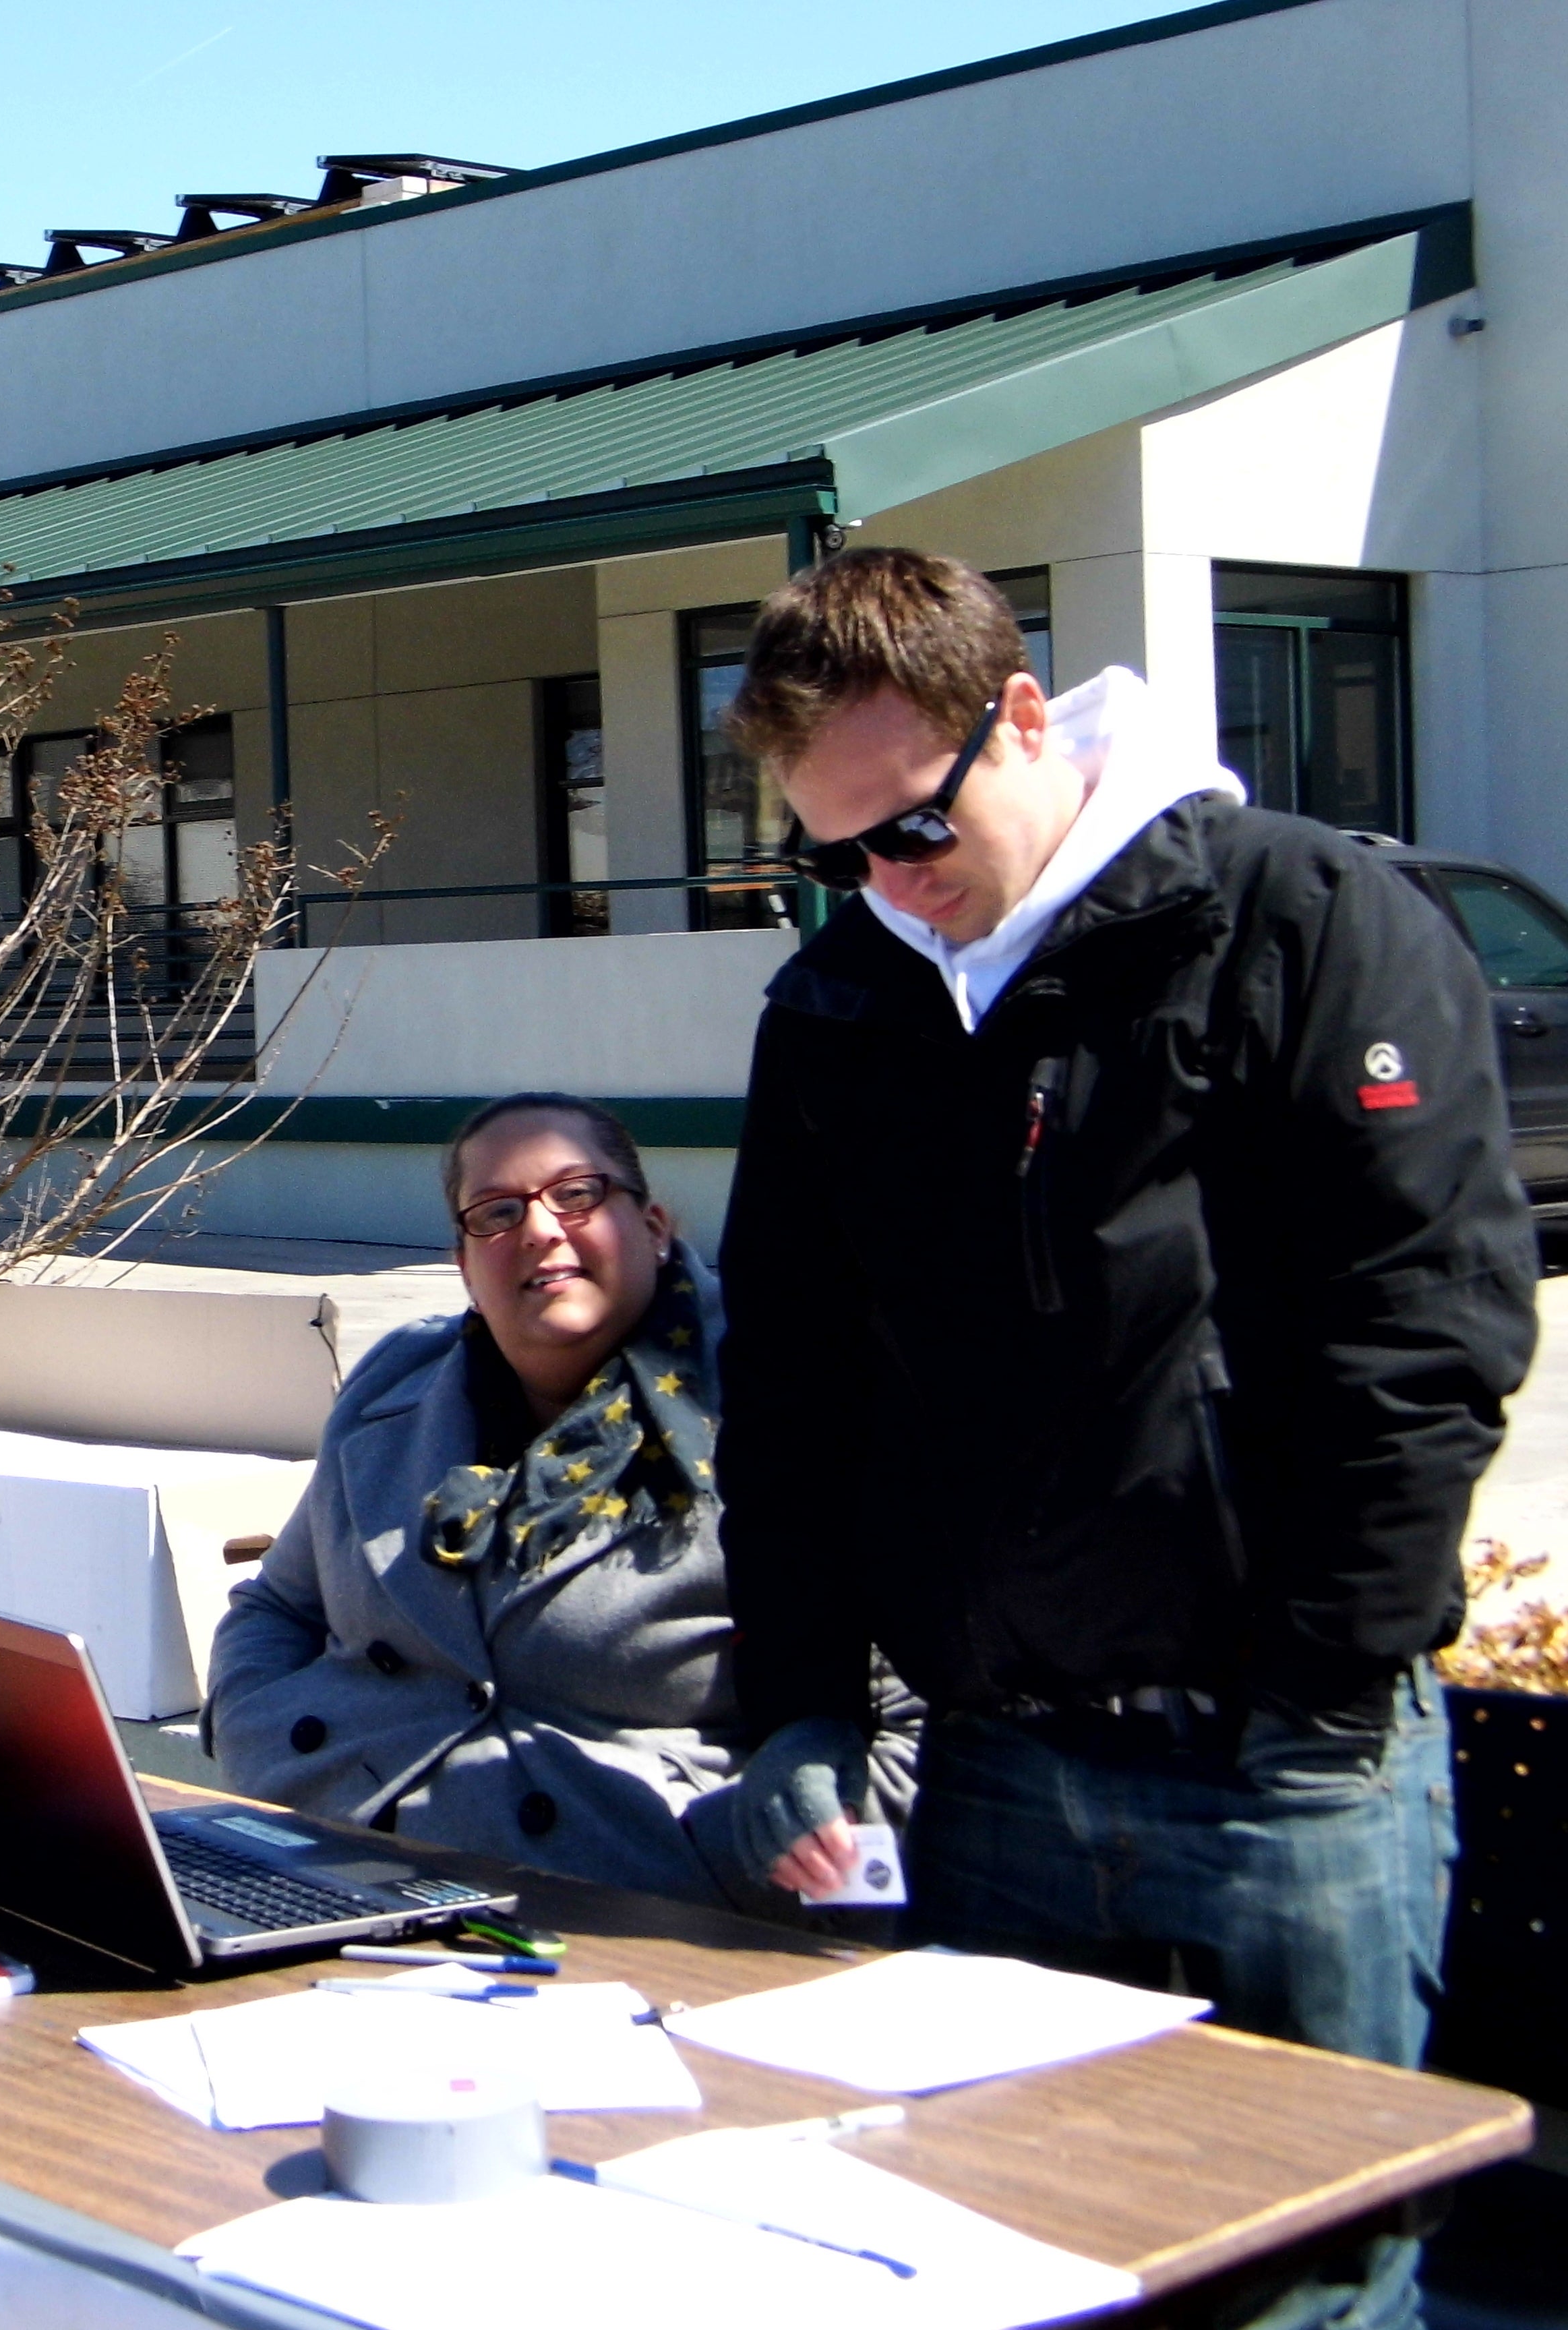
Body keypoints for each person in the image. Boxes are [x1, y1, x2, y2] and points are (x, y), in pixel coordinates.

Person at [715, 547, 1536, 2329]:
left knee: (1312, 2286)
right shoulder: (846, 1004)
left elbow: (1424, 1327)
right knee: (1025, 2260)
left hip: (1281, 1771)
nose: (884, 889)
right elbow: (791, 1385)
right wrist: (798, 1694)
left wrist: (1321, 1682)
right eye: (832, 857)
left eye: (909, 836)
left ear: (1017, 717)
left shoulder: (1304, 919)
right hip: (1006, 1766)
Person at [206, 1093, 917, 1919]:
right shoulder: (393, 1386)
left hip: (636, 1914)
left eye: (577, 1195)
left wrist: (742, 1876)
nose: (540, 1230)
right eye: (497, 1213)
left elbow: (914, 1722)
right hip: (345, 1871)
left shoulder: (794, 1406)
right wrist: (261, 1744)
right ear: (465, 1265)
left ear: (653, 1225)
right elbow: (278, 1607)